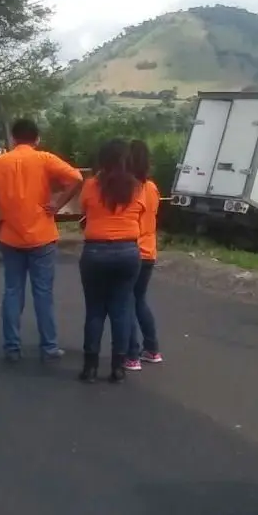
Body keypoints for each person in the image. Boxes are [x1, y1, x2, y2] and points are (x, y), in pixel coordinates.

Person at [0, 118, 83, 363]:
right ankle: (49, 346)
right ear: (37, 139)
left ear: (12, 139)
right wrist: (58, 204)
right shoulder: (45, 159)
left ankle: (12, 347)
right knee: (43, 293)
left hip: (10, 237)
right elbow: (76, 179)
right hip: (42, 236)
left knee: (12, 292)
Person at [78, 138, 146, 384]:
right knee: (121, 310)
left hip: (95, 252)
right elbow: (141, 213)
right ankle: (118, 367)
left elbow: (84, 210)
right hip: (128, 252)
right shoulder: (137, 187)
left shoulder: (91, 185)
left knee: (95, 310)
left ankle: (90, 367)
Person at [123, 139, 163, 371]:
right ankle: (152, 348)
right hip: (149, 251)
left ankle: (131, 355)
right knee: (140, 300)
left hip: (130, 250)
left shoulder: (128, 188)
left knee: (125, 302)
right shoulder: (152, 188)